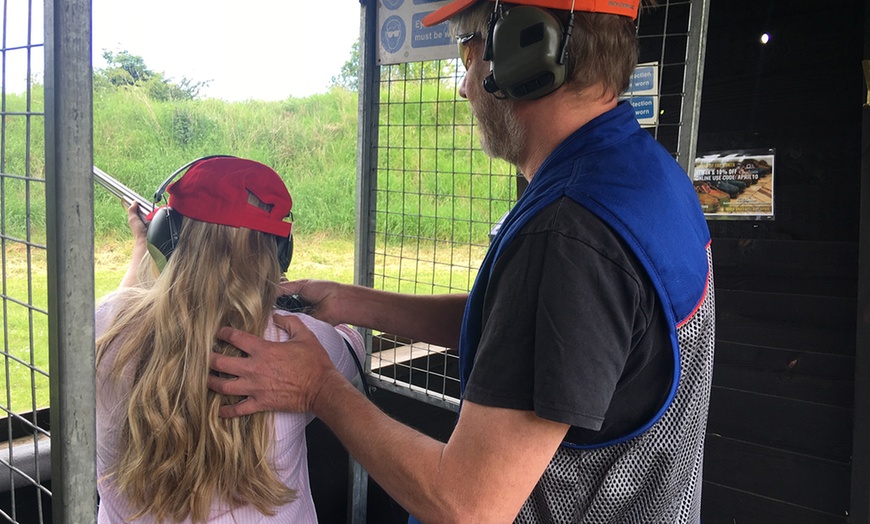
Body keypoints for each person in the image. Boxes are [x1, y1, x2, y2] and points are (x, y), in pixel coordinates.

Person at [209, 0, 715, 522]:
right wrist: (351, 302)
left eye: (468, 54)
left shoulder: (568, 233)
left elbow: (468, 505)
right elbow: (533, 336)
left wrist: (318, 386)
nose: (464, 86)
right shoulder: (642, 174)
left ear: (523, 49)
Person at [95, 157, 365, 523]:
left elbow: (124, 309)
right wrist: (290, 307)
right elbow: (354, 346)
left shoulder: (107, 323)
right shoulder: (300, 340)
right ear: (280, 252)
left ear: (167, 233)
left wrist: (142, 249)